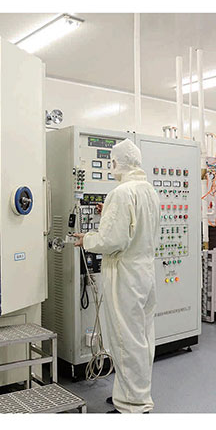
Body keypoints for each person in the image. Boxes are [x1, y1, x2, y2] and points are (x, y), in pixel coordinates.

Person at [73, 138, 160, 413]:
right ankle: (132, 392)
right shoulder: (148, 190)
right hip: (145, 273)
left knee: (125, 339)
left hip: (125, 274)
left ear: (117, 162)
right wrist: (108, 213)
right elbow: (135, 225)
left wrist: (86, 239)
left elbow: (112, 240)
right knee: (142, 337)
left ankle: (133, 405)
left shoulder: (121, 193)